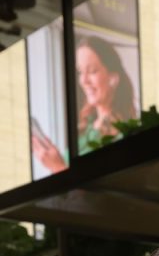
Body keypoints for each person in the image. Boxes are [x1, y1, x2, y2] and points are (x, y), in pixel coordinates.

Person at [32, 35, 136, 174]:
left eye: (92, 71)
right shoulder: (87, 127)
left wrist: (58, 168)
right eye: (80, 72)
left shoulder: (123, 134)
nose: (84, 81)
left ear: (113, 79)